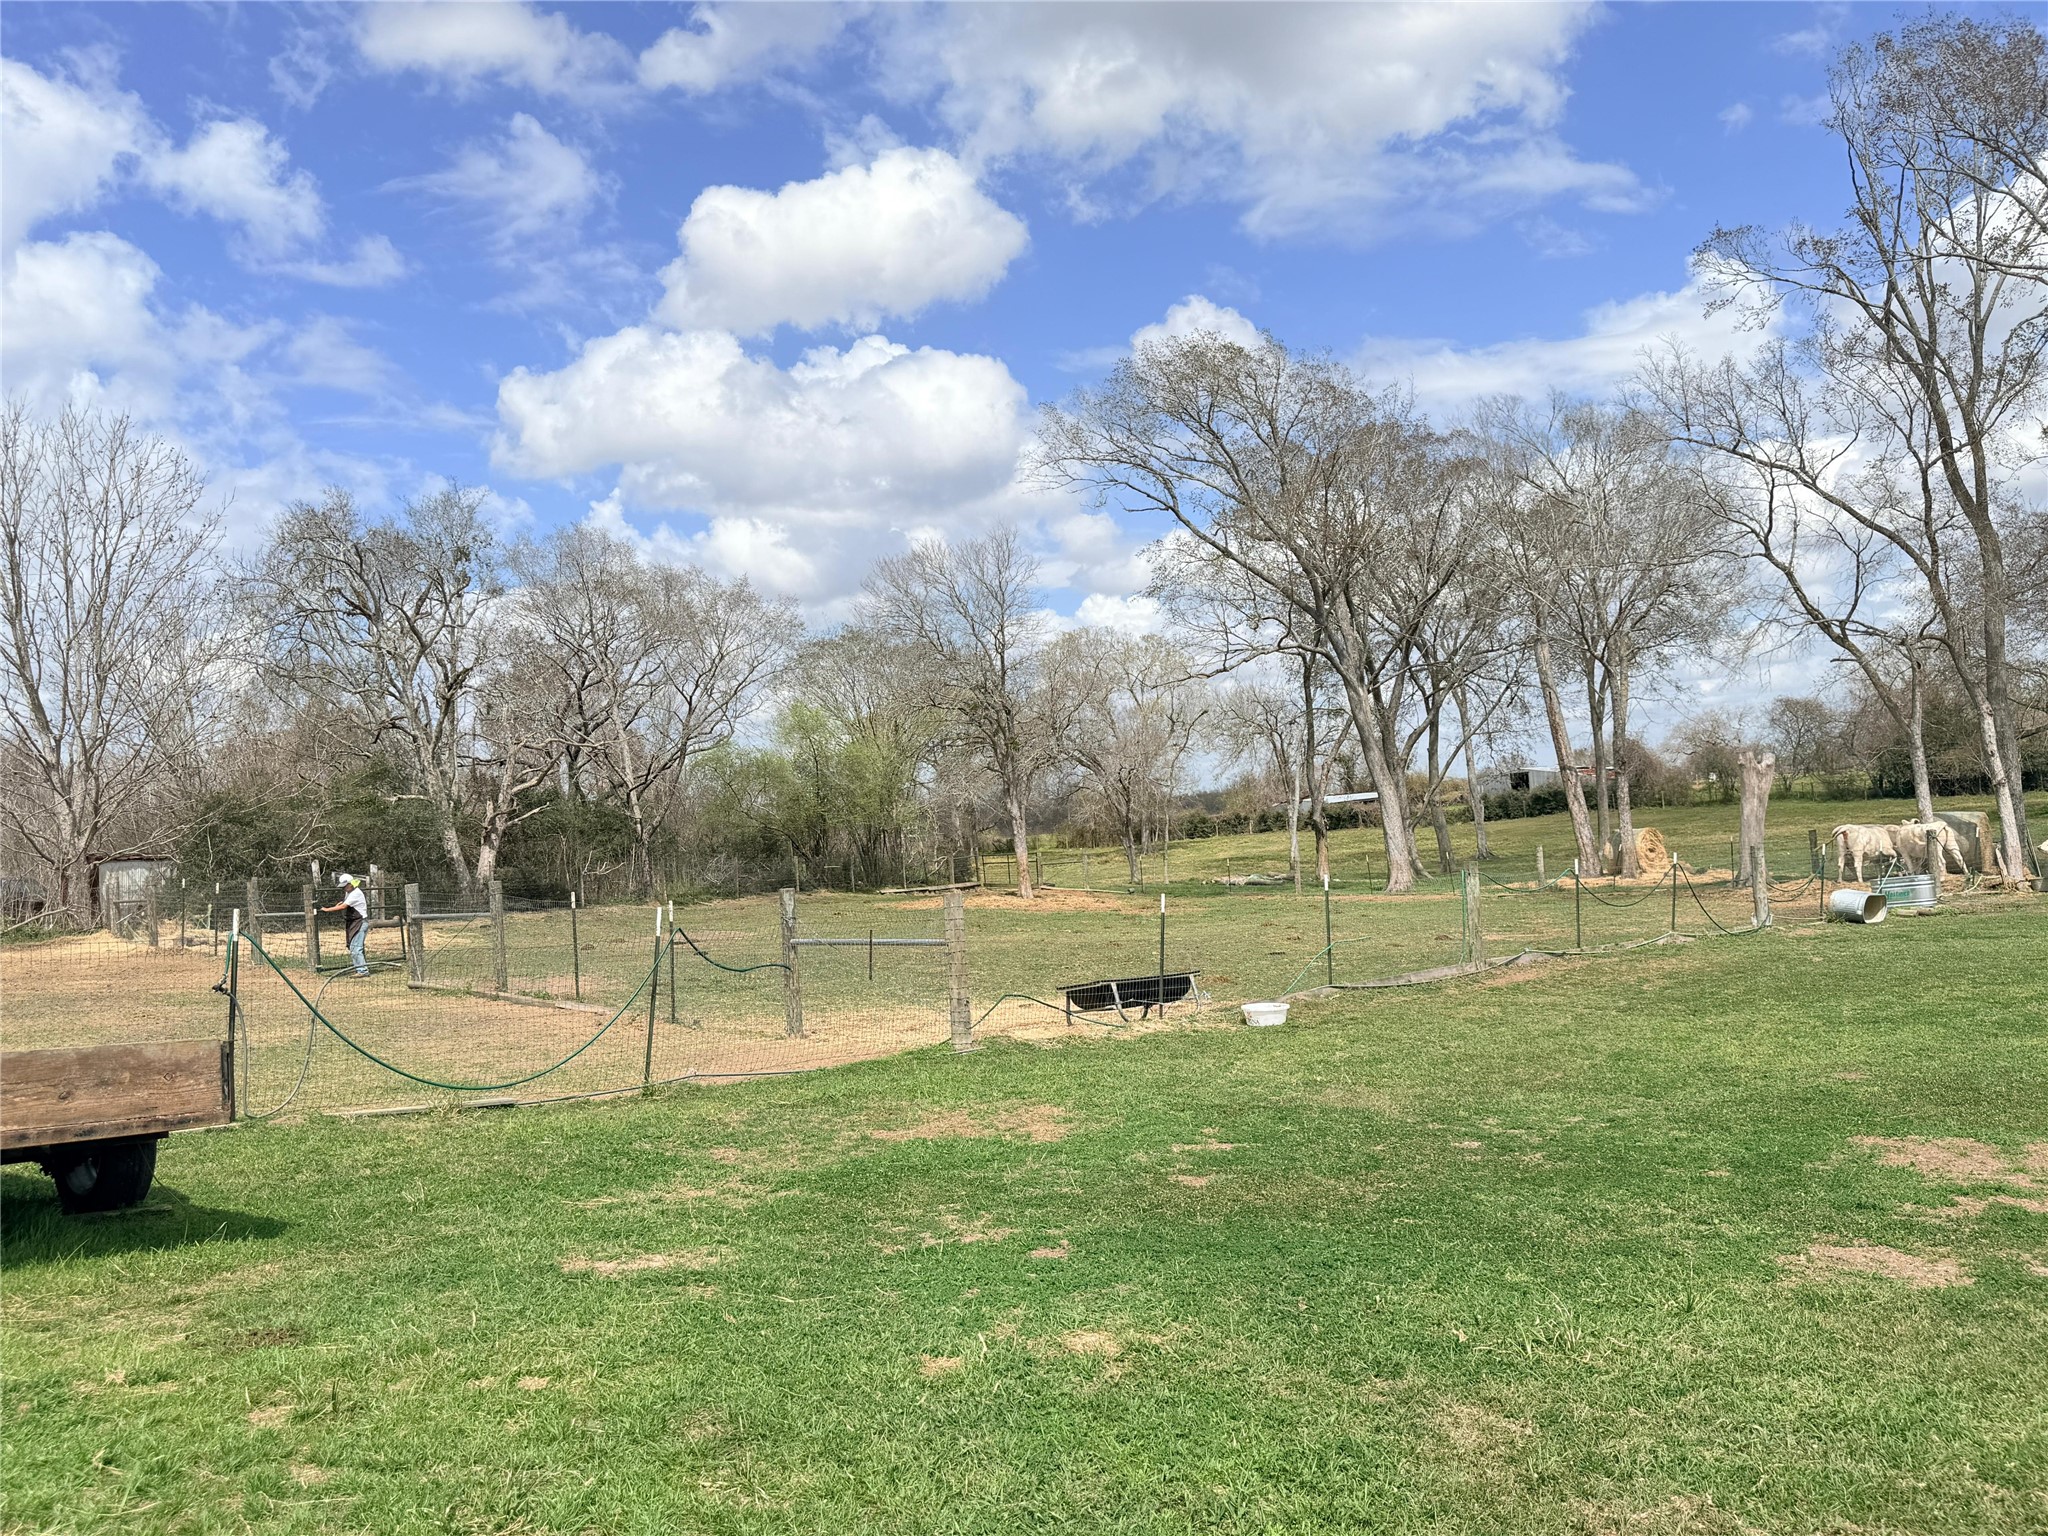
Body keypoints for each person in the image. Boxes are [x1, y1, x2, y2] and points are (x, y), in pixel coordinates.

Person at [322, 874, 371, 977]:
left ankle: (362, 971)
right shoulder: (349, 892)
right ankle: (360, 969)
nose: (344, 888)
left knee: (355, 948)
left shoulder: (356, 893)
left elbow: (344, 906)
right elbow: (344, 903)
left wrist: (327, 909)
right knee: (354, 947)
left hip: (359, 922)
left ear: (350, 884)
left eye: (345, 886)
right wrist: (337, 905)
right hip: (354, 922)